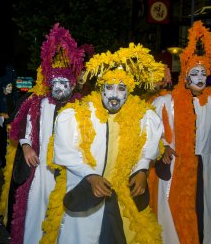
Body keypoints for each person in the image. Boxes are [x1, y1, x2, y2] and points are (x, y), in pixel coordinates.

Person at [41, 43, 165, 244]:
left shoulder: (143, 117)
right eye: (109, 87)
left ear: (129, 91)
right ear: (101, 89)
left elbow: (147, 147)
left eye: (121, 88)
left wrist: (142, 170)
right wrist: (90, 176)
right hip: (87, 193)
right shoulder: (77, 115)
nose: (115, 95)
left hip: (123, 195)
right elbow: (65, 152)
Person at [0, 23, 85, 244]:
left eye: (64, 83)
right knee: (36, 215)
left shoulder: (83, 108)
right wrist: (26, 146)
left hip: (70, 172)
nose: (58, 88)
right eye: (54, 82)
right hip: (41, 171)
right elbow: (25, 132)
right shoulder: (39, 104)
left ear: (73, 84)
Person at [149, 21, 211, 244]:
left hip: (205, 167)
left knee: (206, 215)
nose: (200, 77)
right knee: (173, 218)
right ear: (185, 77)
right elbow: (150, 136)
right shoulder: (166, 102)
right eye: (195, 73)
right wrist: (162, 148)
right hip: (176, 167)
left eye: (203, 73)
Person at [0, 64, 17, 167]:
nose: (11, 88)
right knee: (1, 144)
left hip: (11, 125)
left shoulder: (13, 98)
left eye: (11, 86)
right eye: (9, 86)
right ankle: (2, 160)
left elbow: (15, 110)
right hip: (0, 127)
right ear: (3, 87)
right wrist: (0, 115)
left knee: (10, 145)